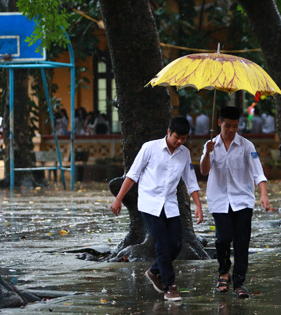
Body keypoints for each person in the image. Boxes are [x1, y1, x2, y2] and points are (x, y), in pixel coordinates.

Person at [110, 117, 203, 302]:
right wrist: (118, 198)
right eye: (177, 137)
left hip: (170, 205)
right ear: (169, 132)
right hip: (150, 204)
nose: (179, 142)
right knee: (161, 242)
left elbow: (191, 181)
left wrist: (199, 206)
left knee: (176, 244)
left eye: (184, 138)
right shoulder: (149, 148)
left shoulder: (184, 153)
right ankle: (170, 286)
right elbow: (132, 175)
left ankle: (154, 271)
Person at [200, 106, 270, 299]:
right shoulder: (211, 145)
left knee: (241, 241)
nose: (231, 130)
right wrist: (207, 153)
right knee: (222, 238)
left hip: (243, 200)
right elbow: (204, 171)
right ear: (219, 123)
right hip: (219, 199)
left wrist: (263, 195)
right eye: (227, 125)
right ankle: (224, 271)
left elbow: (258, 173)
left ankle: (239, 282)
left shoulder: (247, 146)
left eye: (235, 126)